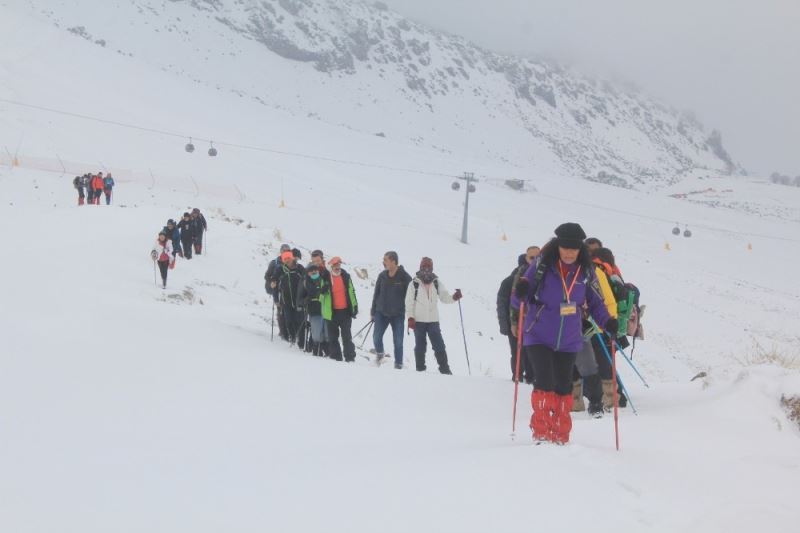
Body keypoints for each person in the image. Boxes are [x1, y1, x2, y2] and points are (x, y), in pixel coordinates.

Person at [512, 223, 617, 445]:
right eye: (565, 248)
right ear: (557, 246)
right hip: (538, 334)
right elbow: (519, 297)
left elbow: (596, 303)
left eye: (574, 249)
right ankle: (541, 432)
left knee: (563, 386)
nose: (569, 253)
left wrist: (608, 322)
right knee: (545, 381)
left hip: (569, 338)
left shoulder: (587, 272)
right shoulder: (542, 265)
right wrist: (520, 292)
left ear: (580, 250)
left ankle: (560, 433)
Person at [405, 257, 462, 375]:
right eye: (424, 267)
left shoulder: (436, 282)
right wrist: (410, 317)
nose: (426, 270)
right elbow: (409, 302)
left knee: (439, 345)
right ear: (420, 268)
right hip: (418, 321)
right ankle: (420, 369)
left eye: (428, 267)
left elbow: (444, 297)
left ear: (432, 268)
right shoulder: (414, 283)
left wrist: (454, 297)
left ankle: (444, 369)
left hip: (433, 320)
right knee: (420, 346)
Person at [498, 253, 537, 383]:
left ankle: (524, 376)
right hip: (515, 323)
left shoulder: (537, 279)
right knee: (518, 351)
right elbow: (502, 303)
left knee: (527, 350)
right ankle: (519, 376)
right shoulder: (510, 281)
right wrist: (505, 325)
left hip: (529, 322)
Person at [371, 251, 412, 368]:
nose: (383, 262)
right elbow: (376, 294)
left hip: (397, 315)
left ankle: (398, 364)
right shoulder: (382, 275)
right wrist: (373, 311)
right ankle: (380, 354)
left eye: (385, 260)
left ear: (393, 261)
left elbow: (412, 294)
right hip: (381, 312)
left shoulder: (405, 277)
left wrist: (411, 313)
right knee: (376, 337)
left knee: (398, 342)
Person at [320, 256, 358, 362]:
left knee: (347, 337)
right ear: (331, 266)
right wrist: (323, 291)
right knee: (333, 337)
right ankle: (336, 357)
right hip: (331, 313)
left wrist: (354, 307)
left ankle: (350, 358)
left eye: (339, 265)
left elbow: (352, 292)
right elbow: (320, 298)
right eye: (335, 265)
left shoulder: (345, 276)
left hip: (345, 312)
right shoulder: (325, 278)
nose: (337, 267)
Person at [297, 263, 328, 356]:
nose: (314, 272)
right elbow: (299, 300)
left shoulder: (324, 280)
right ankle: (317, 352)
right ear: (308, 273)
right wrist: (306, 300)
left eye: (315, 270)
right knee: (317, 334)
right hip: (314, 311)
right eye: (311, 271)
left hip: (327, 311)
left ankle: (327, 352)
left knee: (327, 334)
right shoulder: (305, 282)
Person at [277, 250, 306, 345]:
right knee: (288, 321)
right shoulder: (281, 269)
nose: (287, 261)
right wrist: (273, 282)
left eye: (288, 258)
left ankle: (300, 340)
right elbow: (274, 278)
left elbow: (307, 278)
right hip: (286, 301)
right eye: (285, 259)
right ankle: (292, 337)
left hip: (298, 300)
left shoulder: (299, 268)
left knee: (299, 320)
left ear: (292, 258)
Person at [266, 244, 292, 341]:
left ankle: (288, 331)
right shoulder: (274, 263)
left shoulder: (292, 262)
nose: (286, 252)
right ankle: (283, 332)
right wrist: (272, 282)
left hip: (289, 291)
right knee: (280, 310)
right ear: (280, 252)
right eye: (284, 251)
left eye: (288, 250)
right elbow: (267, 276)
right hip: (277, 290)